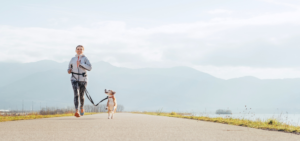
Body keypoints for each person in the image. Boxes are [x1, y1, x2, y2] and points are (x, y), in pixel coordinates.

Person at [67, 45, 92, 117]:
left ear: (83, 51)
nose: (79, 50)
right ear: (75, 50)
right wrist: (69, 70)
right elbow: (68, 68)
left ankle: (81, 107)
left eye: (81, 49)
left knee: (81, 95)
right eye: (78, 49)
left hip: (83, 79)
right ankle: (76, 110)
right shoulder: (72, 59)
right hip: (74, 78)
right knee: (76, 94)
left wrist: (80, 64)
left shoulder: (85, 59)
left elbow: (90, 68)